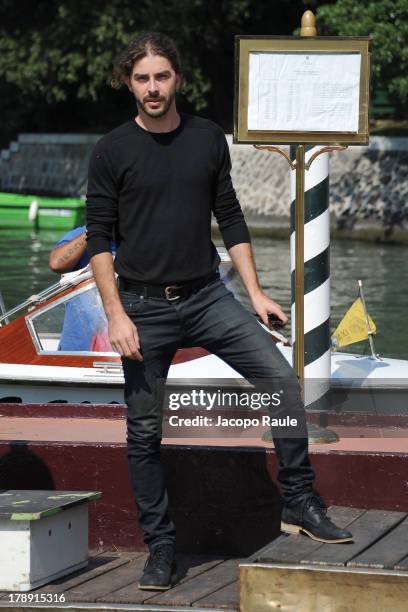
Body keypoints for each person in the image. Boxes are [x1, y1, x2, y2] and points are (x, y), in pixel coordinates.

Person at [86, 33, 353, 591]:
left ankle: (300, 502)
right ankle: (161, 546)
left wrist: (255, 293)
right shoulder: (111, 150)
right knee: (142, 432)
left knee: (280, 383)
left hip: (209, 296)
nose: (153, 88)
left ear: (177, 78)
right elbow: (100, 240)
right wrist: (115, 315)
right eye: (142, 78)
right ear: (128, 83)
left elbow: (229, 217)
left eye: (162, 76)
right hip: (140, 306)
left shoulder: (207, 137)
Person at [49, 226, 116, 351]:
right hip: (78, 347)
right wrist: (94, 230)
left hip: (121, 343)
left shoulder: (139, 236)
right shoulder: (81, 234)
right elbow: (56, 264)